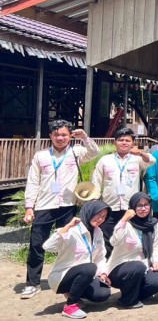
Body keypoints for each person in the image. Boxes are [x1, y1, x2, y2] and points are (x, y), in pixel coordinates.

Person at [22, 119, 100, 300]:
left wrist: (85, 138)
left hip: (67, 205)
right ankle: (32, 283)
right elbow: (33, 182)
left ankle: (68, 281)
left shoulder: (76, 152)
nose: (60, 138)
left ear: (70, 136)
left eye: (64, 134)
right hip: (44, 205)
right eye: (56, 134)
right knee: (36, 244)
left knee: (70, 245)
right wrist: (29, 207)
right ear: (50, 135)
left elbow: (94, 152)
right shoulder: (41, 156)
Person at [43, 200, 111, 319]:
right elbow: (48, 247)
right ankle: (70, 306)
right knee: (90, 268)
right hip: (62, 277)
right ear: (89, 211)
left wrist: (103, 273)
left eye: (104, 216)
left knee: (102, 294)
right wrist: (67, 227)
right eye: (98, 214)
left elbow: (100, 256)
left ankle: (73, 293)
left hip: (85, 275)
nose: (100, 219)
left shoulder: (98, 232)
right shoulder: (72, 230)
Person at [92, 127, 154, 256]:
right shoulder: (105, 160)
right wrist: (95, 202)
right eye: (121, 140)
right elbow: (96, 181)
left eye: (127, 140)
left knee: (130, 238)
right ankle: (108, 264)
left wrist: (140, 153)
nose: (124, 143)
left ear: (132, 143)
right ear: (115, 142)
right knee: (108, 239)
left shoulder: (137, 160)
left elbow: (152, 161)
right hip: (109, 207)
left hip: (130, 208)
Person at [106, 192, 158, 308]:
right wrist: (123, 220)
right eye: (139, 205)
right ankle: (127, 301)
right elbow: (114, 241)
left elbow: (156, 245)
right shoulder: (127, 224)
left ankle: (132, 295)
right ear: (133, 207)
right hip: (120, 268)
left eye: (146, 205)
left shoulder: (153, 224)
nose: (143, 208)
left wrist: (156, 261)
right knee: (138, 266)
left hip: (142, 266)